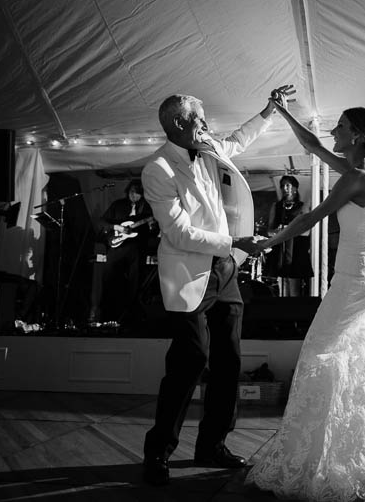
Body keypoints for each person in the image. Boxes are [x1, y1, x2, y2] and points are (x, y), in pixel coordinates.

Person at [246, 87, 365, 501]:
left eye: (340, 127)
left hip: (355, 280)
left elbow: (312, 217)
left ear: (354, 134)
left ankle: (321, 457)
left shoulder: (359, 177)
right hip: (361, 277)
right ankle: (352, 451)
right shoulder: (364, 168)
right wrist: (282, 111)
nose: (333, 131)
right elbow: (312, 145)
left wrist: (267, 243)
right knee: (353, 360)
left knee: (319, 354)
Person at [140, 90, 280, 485]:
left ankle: (212, 444)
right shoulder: (158, 169)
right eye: (200, 118)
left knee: (229, 361)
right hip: (188, 274)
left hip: (226, 272)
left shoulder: (209, 148)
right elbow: (178, 232)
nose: (207, 123)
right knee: (189, 361)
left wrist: (268, 111)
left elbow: (240, 139)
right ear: (181, 124)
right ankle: (158, 452)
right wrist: (234, 244)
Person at [90, 180, 155, 330]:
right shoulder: (117, 205)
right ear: (127, 191)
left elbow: (152, 232)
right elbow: (101, 223)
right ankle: (109, 315)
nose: (134, 195)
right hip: (117, 248)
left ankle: (133, 318)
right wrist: (116, 227)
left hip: (137, 249)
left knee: (136, 281)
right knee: (110, 277)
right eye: (132, 191)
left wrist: (152, 226)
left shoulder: (147, 208)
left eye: (138, 192)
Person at [266, 175, 313, 296]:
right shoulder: (276, 206)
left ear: (295, 188)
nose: (284, 188)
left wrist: (287, 229)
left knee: (294, 288)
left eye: (288, 185)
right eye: (282, 186)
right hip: (280, 250)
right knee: (281, 286)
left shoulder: (302, 207)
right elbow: (269, 231)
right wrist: (279, 231)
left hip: (296, 249)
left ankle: (294, 312)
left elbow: (306, 231)